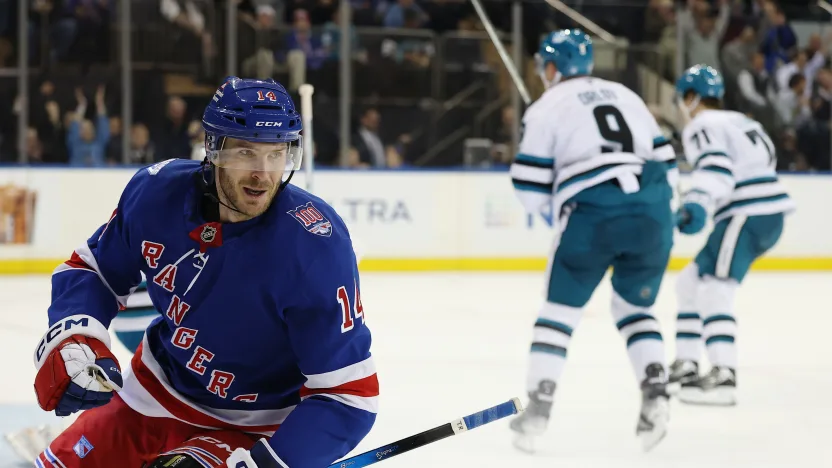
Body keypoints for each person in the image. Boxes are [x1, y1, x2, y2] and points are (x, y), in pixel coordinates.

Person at [30, 77, 378, 468]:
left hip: (255, 429)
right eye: (247, 152)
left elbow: (348, 396)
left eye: (276, 153)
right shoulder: (155, 192)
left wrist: (273, 461)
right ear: (213, 148)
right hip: (155, 391)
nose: (263, 174)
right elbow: (95, 268)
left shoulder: (315, 246)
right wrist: (76, 336)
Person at [508, 29, 677, 453]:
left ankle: (538, 409)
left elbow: (529, 189)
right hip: (653, 208)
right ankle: (656, 390)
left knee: (558, 314)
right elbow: (667, 162)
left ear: (551, 68)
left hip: (593, 212)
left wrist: (557, 205)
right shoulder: (625, 94)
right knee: (634, 307)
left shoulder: (547, 105)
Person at [670, 65, 794, 406]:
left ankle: (724, 375)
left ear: (692, 97)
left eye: (684, 99)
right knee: (689, 283)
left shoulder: (701, 125)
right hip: (763, 212)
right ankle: (687, 362)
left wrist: (695, 203)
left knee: (715, 290)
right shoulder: (742, 120)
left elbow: (716, 170)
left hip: (746, 213)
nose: (683, 107)